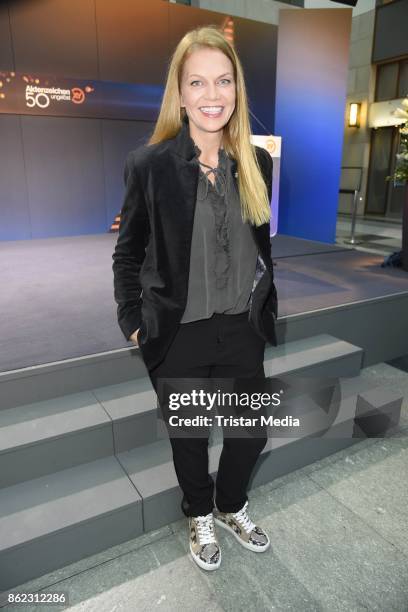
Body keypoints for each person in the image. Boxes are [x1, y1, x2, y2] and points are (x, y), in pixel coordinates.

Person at [112, 25, 278, 572]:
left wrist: (263, 306)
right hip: (178, 333)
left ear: (237, 89)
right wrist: (133, 322)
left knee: (250, 432)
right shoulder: (150, 165)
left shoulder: (257, 161)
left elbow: (259, 248)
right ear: (180, 93)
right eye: (199, 82)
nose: (213, 95)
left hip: (241, 330)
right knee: (189, 441)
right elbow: (128, 254)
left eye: (224, 81)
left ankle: (231, 505)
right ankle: (199, 513)